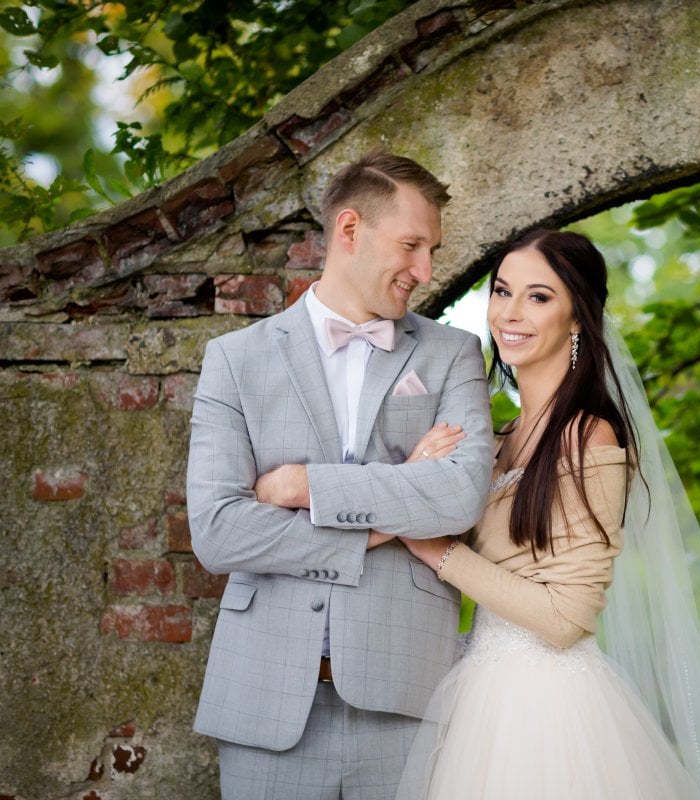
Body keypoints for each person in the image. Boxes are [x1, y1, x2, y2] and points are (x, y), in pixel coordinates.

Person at [396, 229, 700, 798]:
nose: (510, 313)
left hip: (547, 708)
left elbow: (566, 617)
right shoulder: (498, 437)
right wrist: (417, 477)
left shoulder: (589, 438)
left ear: (578, 318)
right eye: (502, 291)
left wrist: (437, 553)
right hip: (482, 690)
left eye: (538, 296)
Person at [185, 150, 493, 799]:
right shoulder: (234, 361)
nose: (426, 270)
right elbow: (218, 534)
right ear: (350, 230)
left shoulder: (452, 354)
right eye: (412, 245)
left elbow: (461, 496)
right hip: (264, 701)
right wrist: (393, 504)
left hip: (405, 700)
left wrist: (305, 488)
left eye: (431, 250)